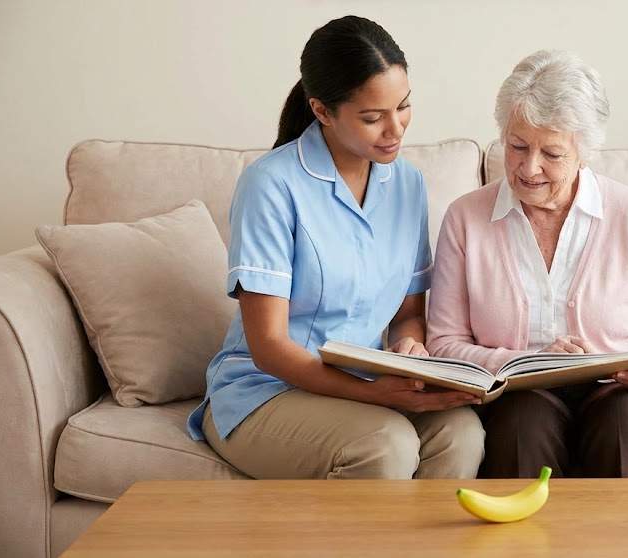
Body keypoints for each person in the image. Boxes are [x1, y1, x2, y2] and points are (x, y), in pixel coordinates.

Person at [186, 16, 483, 480]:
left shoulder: (408, 183)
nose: (395, 129)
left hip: (365, 380)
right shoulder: (271, 184)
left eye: (403, 107)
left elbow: (409, 311)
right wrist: (379, 395)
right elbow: (269, 348)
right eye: (372, 117)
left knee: (462, 432)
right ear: (322, 111)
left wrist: (409, 346)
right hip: (266, 389)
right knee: (386, 444)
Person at [426, 50, 628, 478]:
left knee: (624, 427)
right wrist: (524, 362)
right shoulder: (466, 218)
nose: (529, 167)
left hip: (620, 394)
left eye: (552, 154)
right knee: (521, 426)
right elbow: (444, 343)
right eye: (517, 146)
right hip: (519, 394)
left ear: (584, 153)